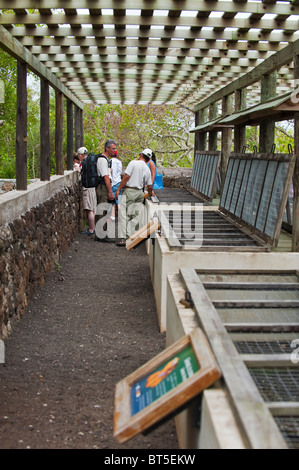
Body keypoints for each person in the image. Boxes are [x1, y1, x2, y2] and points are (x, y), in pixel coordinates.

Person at [115, 149, 153, 246]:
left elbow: (126, 176)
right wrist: (149, 194)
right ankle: (132, 236)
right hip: (139, 192)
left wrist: (119, 188)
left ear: (140, 155)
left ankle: (124, 238)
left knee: (124, 214)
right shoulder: (147, 169)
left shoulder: (133, 163)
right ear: (148, 160)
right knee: (136, 215)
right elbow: (149, 186)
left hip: (129, 191)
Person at [95, 139, 117, 242]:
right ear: (107, 148)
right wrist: (110, 191)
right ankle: (100, 234)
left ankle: (102, 233)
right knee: (102, 209)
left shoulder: (105, 159)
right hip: (103, 186)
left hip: (104, 186)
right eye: (113, 148)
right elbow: (106, 177)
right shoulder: (102, 160)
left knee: (105, 209)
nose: (114, 150)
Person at [77, 147, 97, 236]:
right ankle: (94, 228)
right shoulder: (91, 161)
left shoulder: (84, 163)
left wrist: (78, 170)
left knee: (89, 210)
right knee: (93, 209)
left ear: (80, 155)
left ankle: (91, 229)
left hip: (87, 188)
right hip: (93, 187)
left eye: (78, 155)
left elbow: (83, 174)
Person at [108, 149, 123, 223]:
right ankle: (121, 217)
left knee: (112, 201)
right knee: (119, 200)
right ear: (116, 155)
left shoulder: (109, 161)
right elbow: (120, 172)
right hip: (119, 182)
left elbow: (110, 171)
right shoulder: (119, 162)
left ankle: (112, 216)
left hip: (112, 182)